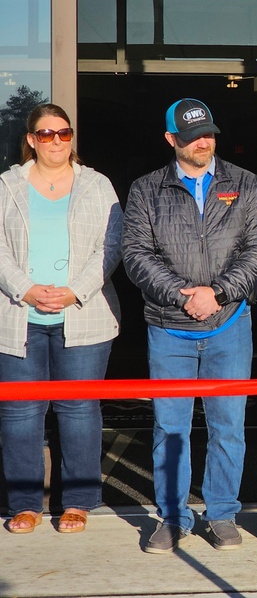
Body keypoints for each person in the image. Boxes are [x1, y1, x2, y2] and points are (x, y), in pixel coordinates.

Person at [121, 98, 257, 554]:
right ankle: (173, 517)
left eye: (208, 133)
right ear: (171, 140)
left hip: (229, 326)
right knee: (171, 428)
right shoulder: (146, 189)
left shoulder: (244, 183)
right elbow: (136, 255)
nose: (203, 142)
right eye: (191, 137)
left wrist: (218, 293)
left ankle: (222, 513)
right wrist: (182, 294)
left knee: (229, 426)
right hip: (169, 328)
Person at [0, 104, 121, 535]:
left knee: (79, 410)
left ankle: (79, 502)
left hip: (83, 315)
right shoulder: (7, 186)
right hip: (18, 316)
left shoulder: (97, 185)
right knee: (19, 414)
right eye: (46, 134)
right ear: (31, 139)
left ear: (72, 138)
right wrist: (26, 289)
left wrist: (75, 291)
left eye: (64, 133)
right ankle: (26, 503)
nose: (56, 141)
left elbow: (111, 247)